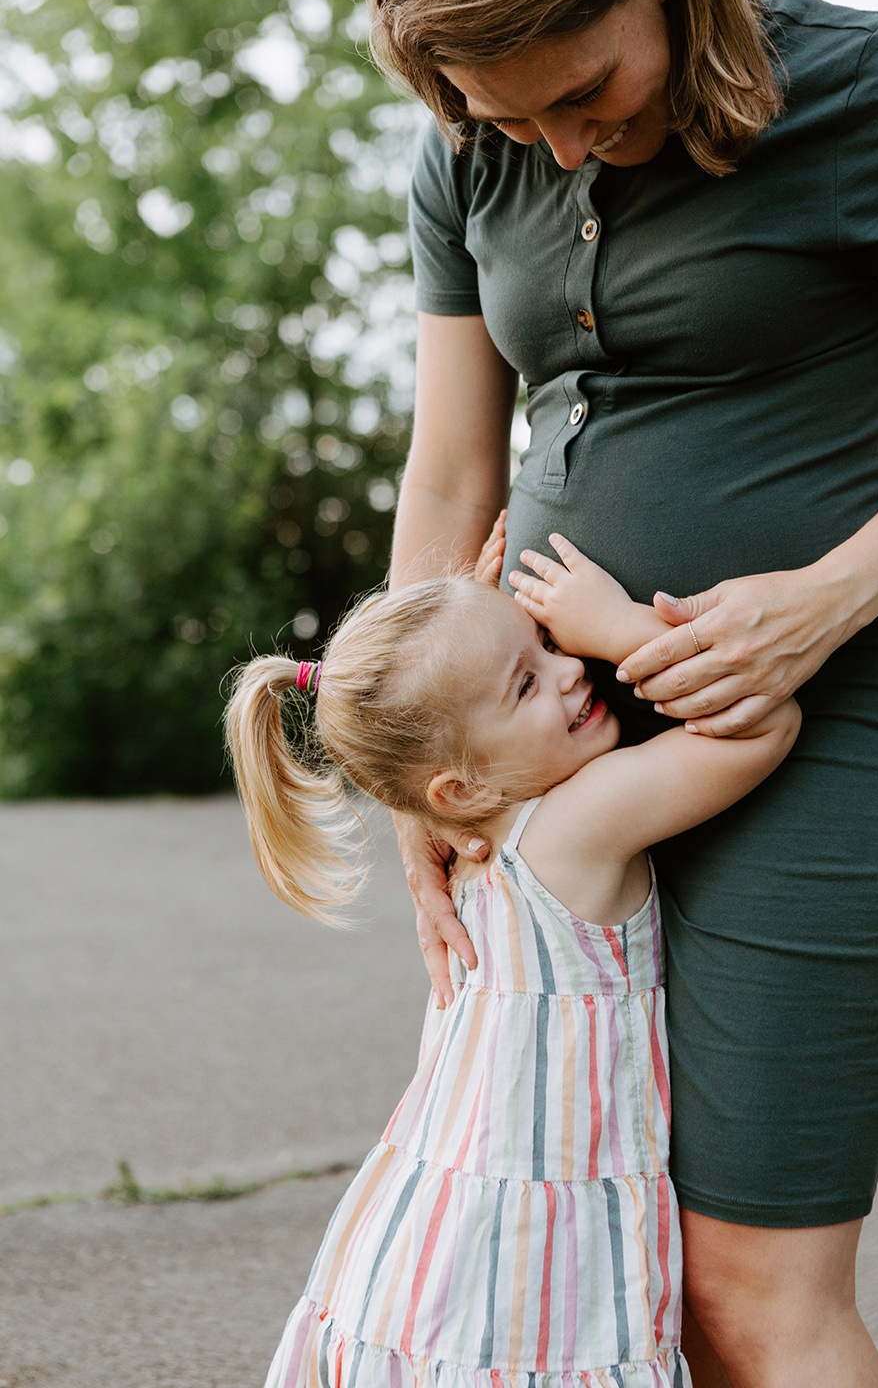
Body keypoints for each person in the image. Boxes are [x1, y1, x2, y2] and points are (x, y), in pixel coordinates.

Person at [364, 0, 878, 1385]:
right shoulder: (467, 145)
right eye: (510, 118)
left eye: (589, 95)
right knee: (628, 1261)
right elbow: (450, 472)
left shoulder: (860, 88)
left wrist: (823, 598)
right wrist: (415, 776)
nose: (557, 149)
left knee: (747, 1282)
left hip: (837, 721)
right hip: (560, 747)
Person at [224, 536, 799, 1388]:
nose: (571, 672)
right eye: (526, 681)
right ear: (453, 791)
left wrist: (479, 633)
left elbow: (467, 714)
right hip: (541, 1239)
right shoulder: (578, 824)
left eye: (548, 645)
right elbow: (762, 723)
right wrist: (614, 626)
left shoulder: (472, 846)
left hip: (448, 1237)